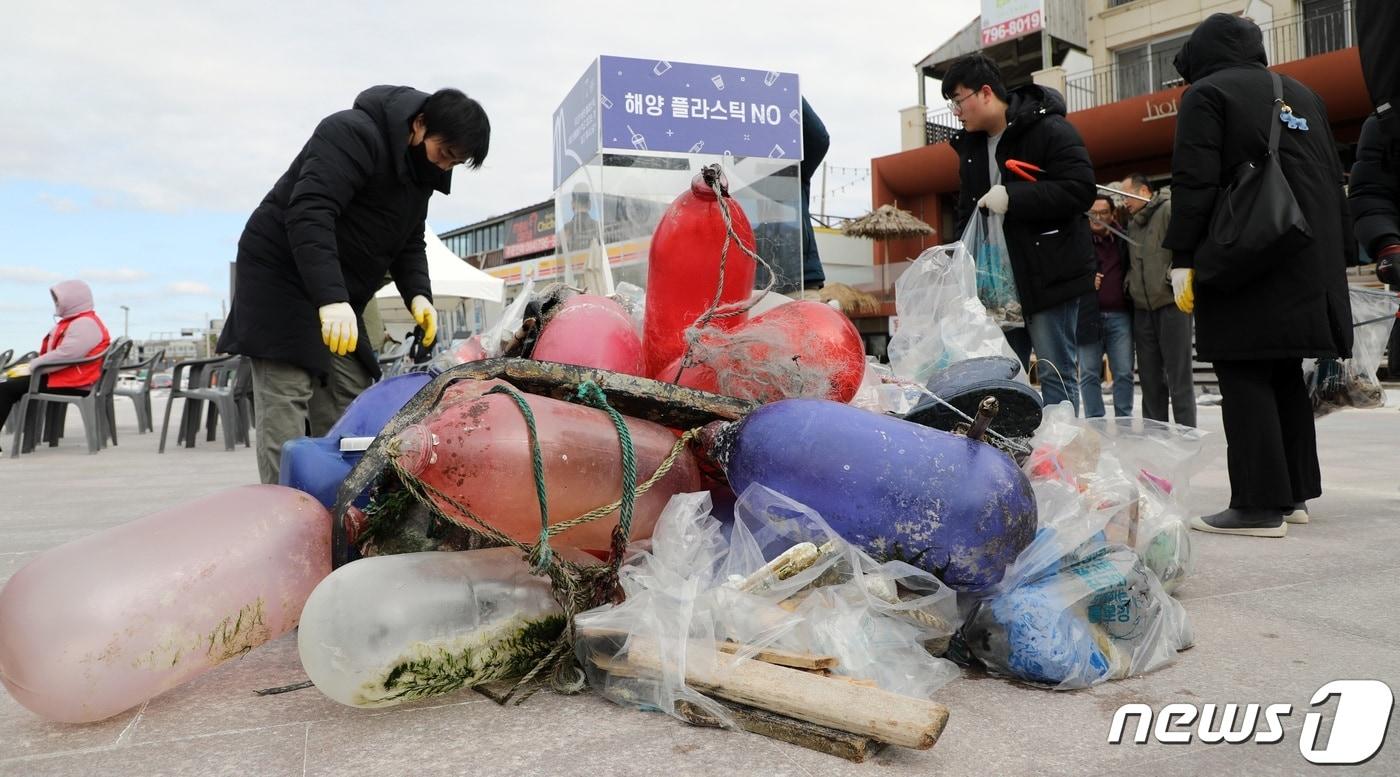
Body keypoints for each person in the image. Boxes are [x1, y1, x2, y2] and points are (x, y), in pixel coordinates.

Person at [217, 86, 489, 484]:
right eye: (444, 153)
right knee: (287, 396)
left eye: (456, 162)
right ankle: (284, 510)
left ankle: (342, 502)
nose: (445, 167)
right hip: (282, 277)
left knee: (351, 394)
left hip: (337, 290)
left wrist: (419, 296)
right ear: (419, 125)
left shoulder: (420, 175)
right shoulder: (351, 134)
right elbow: (310, 211)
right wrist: (330, 300)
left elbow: (409, 241)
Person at [1163, 14, 1352, 537]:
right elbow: (1331, 181)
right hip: (1307, 255)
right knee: (1284, 370)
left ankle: (1257, 506)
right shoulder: (1303, 94)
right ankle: (1292, 495)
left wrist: (1182, 256)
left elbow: (1194, 180)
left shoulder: (1207, 94)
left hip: (1246, 254)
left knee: (1242, 370)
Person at [945, 53, 1096, 413]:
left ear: (985, 93)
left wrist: (1014, 196)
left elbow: (1080, 188)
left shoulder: (1048, 129)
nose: (955, 111)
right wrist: (956, 261)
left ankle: (1064, 462)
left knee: (1056, 380)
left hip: (1049, 276)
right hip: (997, 287)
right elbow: (967, 212)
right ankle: (1017, 462)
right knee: (1002, 384)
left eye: (958, 99)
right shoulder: (971, 149)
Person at [1120, 174, 1196, 427]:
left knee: (1179, 378)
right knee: (1150, 381)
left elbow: (1187, 245)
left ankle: (1187, 433)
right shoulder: (1132, 223)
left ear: (1143, 192)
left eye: (1125, 194)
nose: (1122, 202)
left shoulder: (1169, 210)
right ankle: (1155, 435)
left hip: (1170, 305)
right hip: (1142, 309)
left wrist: (1171, 274)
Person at [0, 281, 112, 443]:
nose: (56, 303)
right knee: (6, 385)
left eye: (58, 299)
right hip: (63, 379)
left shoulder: (84, 324)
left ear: (73, 299)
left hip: (72, 382)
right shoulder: (76, 321)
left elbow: (67, 354)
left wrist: (33, 365)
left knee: (4, 389)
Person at [1076, 195, 1134, 418]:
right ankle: (1095, 422)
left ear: (1112, 215)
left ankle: (1124, 420)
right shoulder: (1078, 241)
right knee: (1089, 373)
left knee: (1123, 373)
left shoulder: (1123, 239)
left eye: (1103, 213)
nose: (1097, 218)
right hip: (1088, 315)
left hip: (1120, 316)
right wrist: (1085, 281)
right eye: (1093, 213)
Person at [799, 97, 831, 292]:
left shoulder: (792, 167)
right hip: (748, 286)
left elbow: (818, 138)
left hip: (802, 279)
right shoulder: (727, 176)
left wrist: (786, 91)